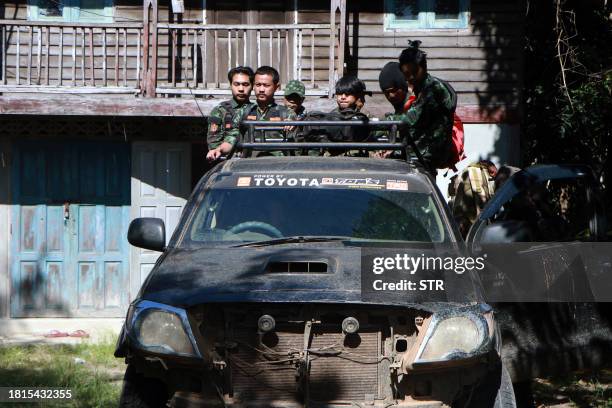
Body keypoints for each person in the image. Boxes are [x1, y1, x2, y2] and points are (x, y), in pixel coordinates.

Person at [392, 41, 457, 173]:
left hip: (426, 155)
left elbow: (410, 119)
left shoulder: (432, 89)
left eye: (414, 72)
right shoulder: (421, 87)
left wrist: (380, 124)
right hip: (420, 153)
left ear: (424, 67)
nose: (410, 77)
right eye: (406, 74)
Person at [242, 66, 297, 155]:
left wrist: (291, 123)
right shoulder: (245, 111)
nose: (261, 90)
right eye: (258, 85)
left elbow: (292, 118)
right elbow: (233, 135)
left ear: (276, 87)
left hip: (277, 164)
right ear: (253, 86)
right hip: (251, 163)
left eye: (266, 85)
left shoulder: (285, 112)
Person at [206, 66, 255, 161]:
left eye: (245, 84)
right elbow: (214, 144)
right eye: (236, 84)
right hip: (229, 162)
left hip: (254, 162)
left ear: (252, 86)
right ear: (231, 85)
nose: (241, 89)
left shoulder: (256, 109)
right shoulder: (220, 111)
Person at [451, 160, 498, 237]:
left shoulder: (475, 171)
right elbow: (479, 196)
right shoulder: (475, 172)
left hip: (467, 221)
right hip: (468, 223)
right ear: (492, 171)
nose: (493, 178)